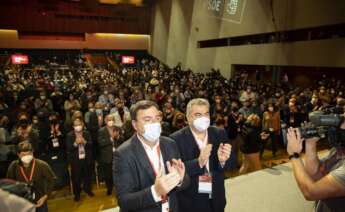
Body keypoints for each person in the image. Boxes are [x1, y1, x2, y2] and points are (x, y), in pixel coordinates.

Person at [113, 100, 189, 212]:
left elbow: (186, 181)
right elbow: (124, 201)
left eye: (157, 118)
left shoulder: (170, 143)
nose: (154, 123)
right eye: (147, 120)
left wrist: (180, 179)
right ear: (135, 125)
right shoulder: (123, 154)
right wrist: (155, 192)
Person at [170, 98, 235, 212]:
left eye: (206, 114)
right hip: (191, 202)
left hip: (217, 197)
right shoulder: (175, 139)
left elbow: (232, 163)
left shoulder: (219, 133)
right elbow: (175, 172)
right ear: (189, 118)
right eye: (198, 115)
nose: (204, 118)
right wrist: (198, 163)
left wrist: (223, 161)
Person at [287, 122, 345, 212]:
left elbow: (311, 192)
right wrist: (310, 143)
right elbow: (315, 176)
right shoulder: (339, 150)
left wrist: (294, 155)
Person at [7, 142, 56, 212]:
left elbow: (52, 180)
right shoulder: (13, 166)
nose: (27, 156)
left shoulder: (41, 165)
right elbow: (9, 184)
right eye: (23, 155)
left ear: (33, 153)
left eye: (29, 154)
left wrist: (45, 196)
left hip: (40, 201)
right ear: (18, 155)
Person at [66, 118, 94, 201]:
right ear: (73, 126)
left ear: (82, 125)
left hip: (86, 158)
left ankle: (88, 190)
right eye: (76, 125)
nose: (78, 126)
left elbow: (91, 145)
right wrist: (75, 143)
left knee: (87, 176)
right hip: (76, 161)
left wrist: (84, 142)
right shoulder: (69, 135)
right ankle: (77, 194)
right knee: (76, 178)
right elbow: (68, 148)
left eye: (79, 124)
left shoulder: (87, 133)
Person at [97, 114, 121, 196]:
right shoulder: (101, 131)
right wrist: (111, 138)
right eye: (109, 120)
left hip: (118, 155)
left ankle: (119, 188)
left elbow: (123, 140)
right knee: (108, 174)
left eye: (112, 120)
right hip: (107, 156)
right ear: (105, 121)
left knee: (119, 173)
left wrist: (118, 137)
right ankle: (109, 188)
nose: (111, 121)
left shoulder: (118, 128)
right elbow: (101, 143)